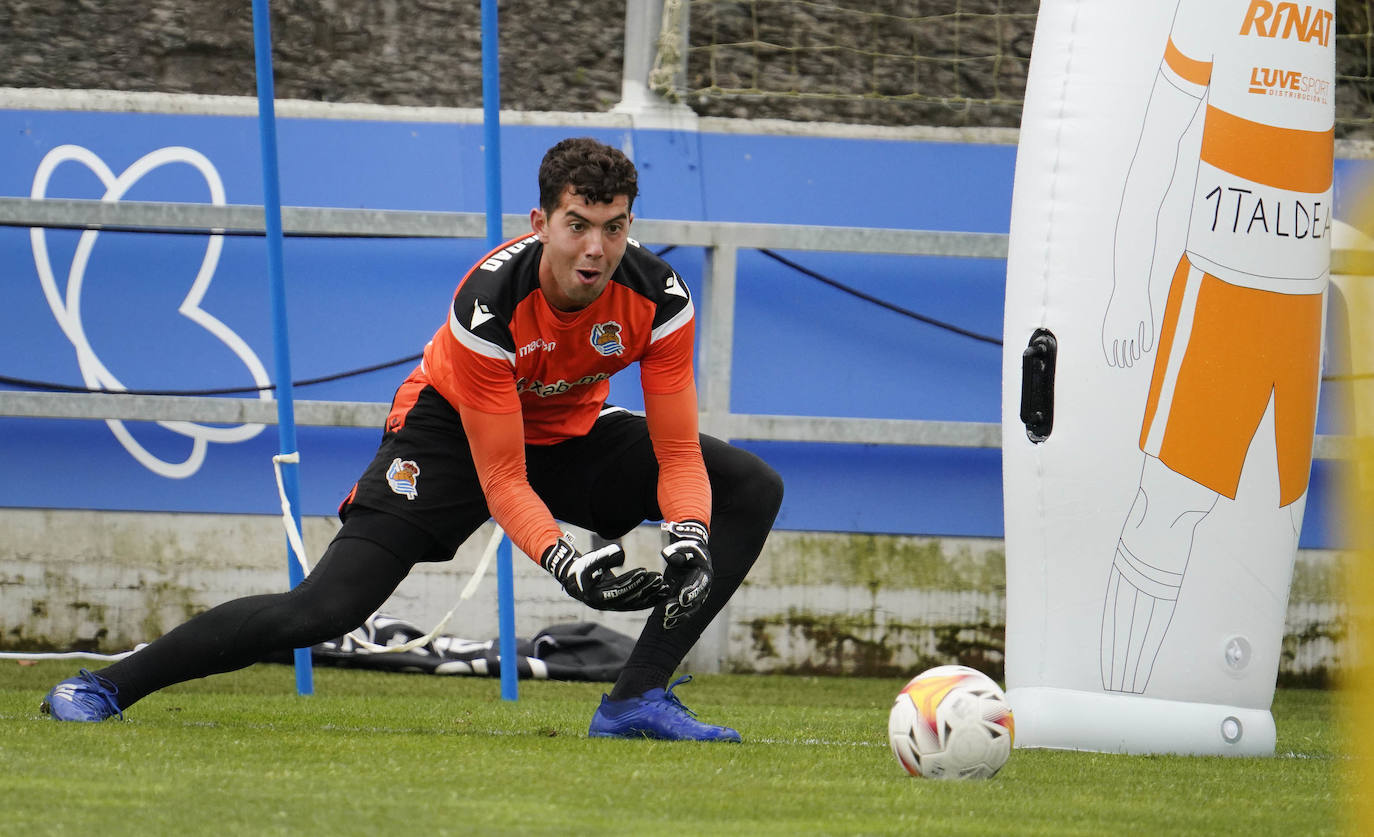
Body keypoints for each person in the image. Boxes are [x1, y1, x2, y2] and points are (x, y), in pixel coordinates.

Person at [41, 137, 785, 741]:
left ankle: (634, 699)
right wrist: (569, 563)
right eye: (578, 225)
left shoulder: (661, 298)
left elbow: (679, 454)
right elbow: (501, 481)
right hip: (451, 435)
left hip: (570, 433)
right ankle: (103, 684)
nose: (597, 247)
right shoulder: (488, 304)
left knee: (748, 485)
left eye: (615, 225)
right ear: (540, 223)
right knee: (323, 609)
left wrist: (687, 532)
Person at [1097, 0, 1332, 693]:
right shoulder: (1212, 8)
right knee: (1167, 502)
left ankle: (1229, 691)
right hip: (1221, 289)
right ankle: (1119, 700)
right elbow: (1159, 135)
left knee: (1280, 510)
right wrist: (1128, 287)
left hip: (1299, 302)